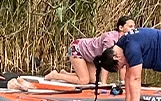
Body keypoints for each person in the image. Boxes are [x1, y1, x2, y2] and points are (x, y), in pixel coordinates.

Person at [8, 15, 137, 91]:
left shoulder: (124, 42)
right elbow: (105, 63)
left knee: (92, 80)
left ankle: (65, 74)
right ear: (121, 28)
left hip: (89, 56)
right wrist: (103, 85)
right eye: (130, 26)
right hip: (77, 49)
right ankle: (56, 75)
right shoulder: (110, 39)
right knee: (84, 81)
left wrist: (125, 83)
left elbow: (122, 63)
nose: (133, 29)